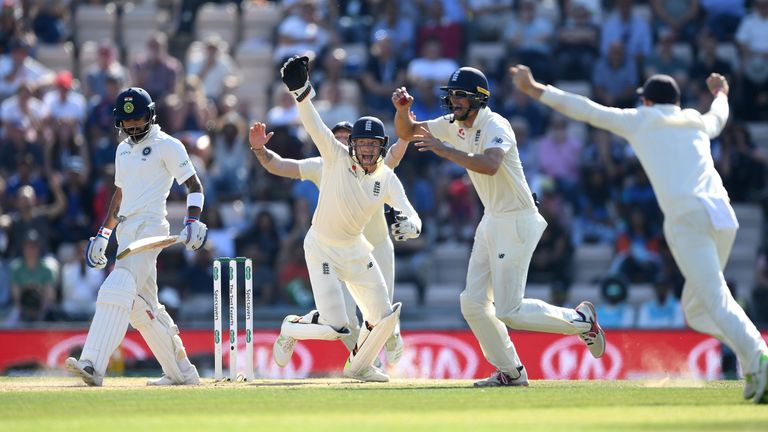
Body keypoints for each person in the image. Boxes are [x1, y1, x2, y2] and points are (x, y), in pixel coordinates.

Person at [509, 64, 768, 403]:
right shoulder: (693, 120)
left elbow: (588, 110)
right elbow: (718, 116)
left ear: (646, 102)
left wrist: (535, 89)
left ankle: (759, 355)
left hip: (687, 218)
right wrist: (722, 94)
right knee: (696, 309)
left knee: (715, 299)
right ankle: (752, 364)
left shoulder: (640, 120)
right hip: (723, 215)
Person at [392, 67, 606, 388]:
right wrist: (402, 111)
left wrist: (444, 150)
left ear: (479, 98)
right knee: (473, 302)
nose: (453, 100)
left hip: (517, 218)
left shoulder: (496, 124)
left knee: (509, 310)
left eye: (460, 95)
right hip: (492, 218)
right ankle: (511, 371)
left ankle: (581, 321)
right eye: (451, 95)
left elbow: (490, 165)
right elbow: (408, 132)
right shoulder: (453, 124)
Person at [271, 55, 422, 382]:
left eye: (372, 144)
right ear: (351, 145)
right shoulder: (335, 157)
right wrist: (301, 92)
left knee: (383, 318)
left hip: (356, 249)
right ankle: (290, 327)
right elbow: (314, 124)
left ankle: (361, 367)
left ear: (381, 147)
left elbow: (408, 210)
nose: (367, 150)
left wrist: (410, 224)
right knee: (336, 326)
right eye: (361, 144)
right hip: (322, 248)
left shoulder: (386, 177)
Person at [65, 87, 208, 387]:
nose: (132, 126)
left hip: (151, 228)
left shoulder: (168, 145)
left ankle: (92, 364)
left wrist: (193, 219)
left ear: (151, 115)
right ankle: (181, 373)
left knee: (116, 287)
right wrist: (104, 233)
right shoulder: (122, 149)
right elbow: (120, 194)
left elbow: (194, 186)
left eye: (138, 119)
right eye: (126, 122)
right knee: (143, 309)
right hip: (127, 231)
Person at [249, 120, 413, 365]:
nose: (341, 143)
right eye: (336, 138)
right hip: (336, 250)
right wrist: (259, 149)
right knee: (343, 321)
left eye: (347, 138)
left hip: (375, 247)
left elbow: (394, 155)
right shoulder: (323, 164)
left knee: (383, 318)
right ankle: (365, 364)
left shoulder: (373, 163)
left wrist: (405, 125)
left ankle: (391, 340)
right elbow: (278, 165)